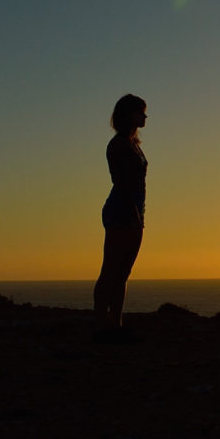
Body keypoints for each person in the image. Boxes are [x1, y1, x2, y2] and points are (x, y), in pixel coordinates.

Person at [93, 93, 148, 342]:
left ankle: (116, 324)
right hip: (122, 210)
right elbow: (122, 182)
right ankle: (100, 325)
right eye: (140, 112)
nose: (144, 116)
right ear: (128, 115)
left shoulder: (133, 143)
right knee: (110, 270)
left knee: (123, 272)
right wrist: (134, 213)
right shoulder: (118, 145)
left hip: (135, 209)